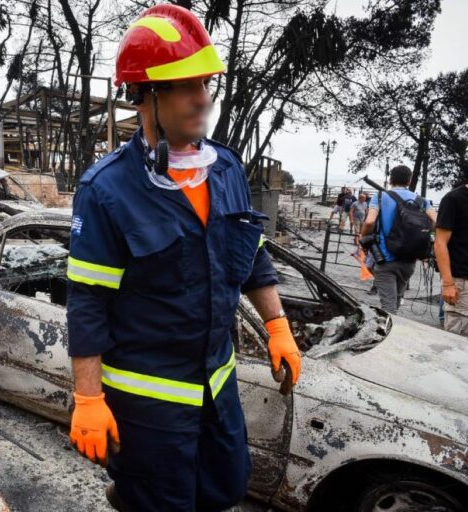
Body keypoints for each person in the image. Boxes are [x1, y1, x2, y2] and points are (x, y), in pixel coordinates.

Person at [65, 5, 302, 512]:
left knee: (225, 490)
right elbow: (87, 301)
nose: (204, 99)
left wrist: (278, 325)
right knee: (159, 504)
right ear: (147, 96)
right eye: (187, 86)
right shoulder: (107, 191)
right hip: (148, 405)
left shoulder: (227, 170)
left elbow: (252, 256)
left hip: (217, 390)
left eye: (206, 84)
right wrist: (88, 398)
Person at [361, 165, 436, 314]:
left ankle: (390, 334)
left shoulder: (380, 197)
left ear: (390, 179)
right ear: (409, 180)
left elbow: (369, 222)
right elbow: (436, 222)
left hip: (385, 258)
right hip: (409, 261)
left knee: (388, 308)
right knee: (395, 301)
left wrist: (363, 237)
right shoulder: (421, 201)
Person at [435, 181, 468, 335]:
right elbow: (440, 243)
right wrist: (448, 284)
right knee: (458, 344)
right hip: (462, 283)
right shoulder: (453, 199)